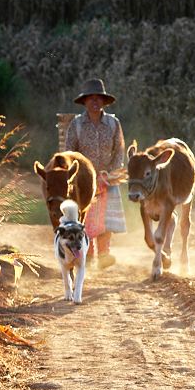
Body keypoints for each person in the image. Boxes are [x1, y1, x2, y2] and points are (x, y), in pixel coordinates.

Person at [64, 78, 127, 269]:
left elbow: (119, 150)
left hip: (108, 177)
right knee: (87, 216)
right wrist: (82, 173)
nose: (94, 102)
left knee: (107, 217)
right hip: (84, 181)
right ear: (84, 102)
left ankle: (105, 253)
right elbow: (70, 152)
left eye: (98, 98)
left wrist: (110, 172)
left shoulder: (113, 123)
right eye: (90, 98)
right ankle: (88, 255)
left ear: (104, 101)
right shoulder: (76, 125)